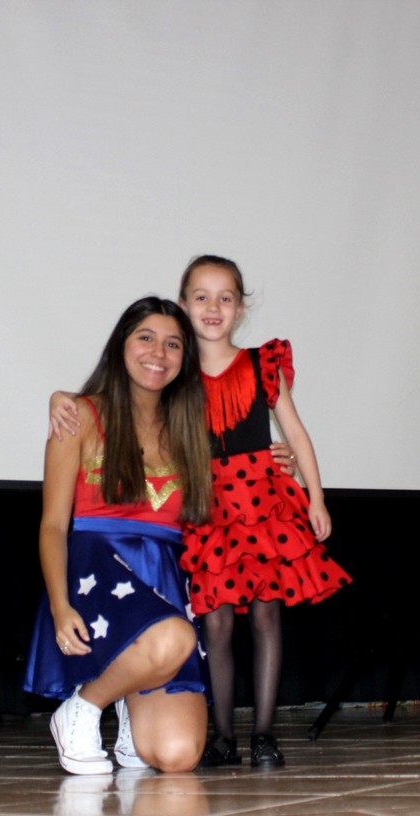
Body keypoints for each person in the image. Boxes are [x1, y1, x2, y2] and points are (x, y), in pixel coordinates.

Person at [49, 255, 352, 768]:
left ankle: (262, 733)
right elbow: (121, 396)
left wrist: (314, 493)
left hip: (261, 506)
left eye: (225, 297)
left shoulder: (261, 363)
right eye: (201, 297)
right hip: (210, 511)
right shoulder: (177, 378)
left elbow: (295, 431)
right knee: (214, 623)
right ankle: (222, 735)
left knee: (266, 613)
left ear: (241, 307)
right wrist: (61, 396)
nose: (214, 307)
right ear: (185, 304)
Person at [23, 296, 212, 776]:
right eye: (146, 338)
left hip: (163, 579)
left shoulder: (190, 429)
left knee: (177, 755)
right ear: (121, 345)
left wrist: (280, 462)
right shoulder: (79, 415)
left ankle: (127, 696)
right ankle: (83, 707)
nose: (158, 353)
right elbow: (52, 524)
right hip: (98, 572)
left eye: (173, 344)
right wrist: (60, 606)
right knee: (173, 637)